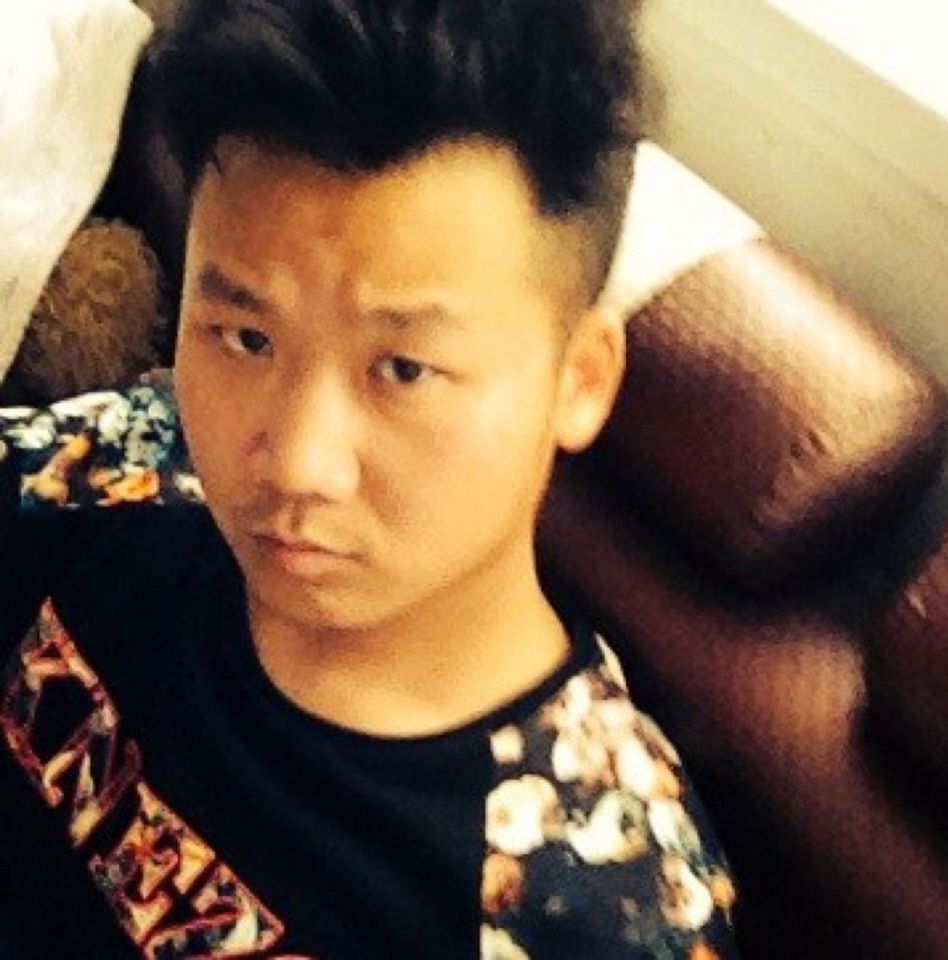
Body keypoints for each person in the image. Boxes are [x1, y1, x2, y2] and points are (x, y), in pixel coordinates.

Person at [0, 0, 739, 957]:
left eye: (403, 369)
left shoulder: (589, 902)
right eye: (246, 338)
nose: (297, 464)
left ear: (579, 380)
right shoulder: (119, 474)